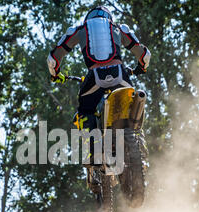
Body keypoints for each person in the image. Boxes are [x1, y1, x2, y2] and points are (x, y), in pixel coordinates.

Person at [46, 5, 151, 138]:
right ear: (108, 17)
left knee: (85, 111)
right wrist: (140, 68)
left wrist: (56, 74)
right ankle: (139, 140)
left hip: (94, 78)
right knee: (134, 102)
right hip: (120, 74)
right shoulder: (119, 28)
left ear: (88, 18)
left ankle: (94, 149)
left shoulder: (78, 30)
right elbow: (145, 55)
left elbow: (53, 59)